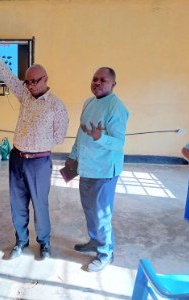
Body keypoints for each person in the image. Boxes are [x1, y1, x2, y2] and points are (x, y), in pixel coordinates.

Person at [0, 15, 69, 260]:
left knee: (40, 205)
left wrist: (37, 139)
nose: (30, 85)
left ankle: (44, 243)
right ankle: (20, 241)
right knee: (17, 205)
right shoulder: (24, 95)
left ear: (46, 79)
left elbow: (59, 137)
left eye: (35, 81)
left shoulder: (57, 106)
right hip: (16, 159)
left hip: (39, 162)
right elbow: (3, 72)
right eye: (27, 82)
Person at [66, 67, 129, 272]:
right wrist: (73, 155)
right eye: (95, 79)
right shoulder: (89, 102)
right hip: (87, 167)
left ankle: (105, 253)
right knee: (89, 210)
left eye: (103, 80)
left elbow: (119, 143)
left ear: (113, 84)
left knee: (102, 214)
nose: (98, 83)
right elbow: (80, 133)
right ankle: (95, 241)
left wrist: (100, 137)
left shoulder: (116, 108)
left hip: (104, 171)